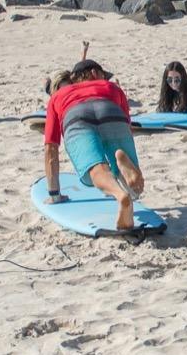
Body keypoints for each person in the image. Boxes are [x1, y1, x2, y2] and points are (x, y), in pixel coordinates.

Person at [42, 57, 146, 234]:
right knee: (134, 183)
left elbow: (51, 149)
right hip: (111, 111)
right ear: (95, 73)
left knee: (96, 168)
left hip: (76, 116)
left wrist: (54, 194)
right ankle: (125, 168)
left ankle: (120, 195)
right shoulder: (111, 86)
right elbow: (127, 127)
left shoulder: (57, 97)